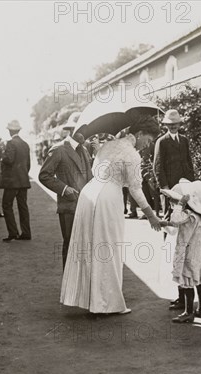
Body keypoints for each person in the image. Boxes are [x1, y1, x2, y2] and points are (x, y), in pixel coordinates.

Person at [60, 116, 163, 314]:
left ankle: (88, 299)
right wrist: (151, 215)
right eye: (148, 140)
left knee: (89, 246)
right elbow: (135, 189)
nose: (147, 145)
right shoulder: (132, 154)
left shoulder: (108, 145)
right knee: (108, 248)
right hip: (108, 198)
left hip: (89, 195)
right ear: (139, 134)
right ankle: (106, 303)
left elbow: (96, 170)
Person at [154, 109, 195, 310]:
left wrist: (193, 187)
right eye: (170, 125)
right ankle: (179, 293)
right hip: (171, 195)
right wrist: (167, 192)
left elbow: (189, 164)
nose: (173, 127)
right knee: (172, 238)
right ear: (165, 126)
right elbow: (157, 168)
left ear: (180, 124)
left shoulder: (184, 141)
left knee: (186, 236)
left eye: (176, 124)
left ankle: (185, 290)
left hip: (185, 192)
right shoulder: (161, 142)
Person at [39, 131, 93, 268]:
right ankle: (69, 285)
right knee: (70, 246)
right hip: (69, 206)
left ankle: (82, 283)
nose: (84, 134)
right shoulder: (58, 149)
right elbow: (44, 175)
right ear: (72, 131)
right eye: (81, 130)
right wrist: (64, 189)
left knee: (86, 245)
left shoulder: (85, 149)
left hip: (86, 205)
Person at [160, 179, 201, 323]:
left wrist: (181, 204)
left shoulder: (189, 216)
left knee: (187, 281)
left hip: (189, 254)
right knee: (199, 282)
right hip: (198, 255)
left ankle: (188, 312)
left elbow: (175, 219)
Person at [0, 120, 31, 242]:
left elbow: (9, 159)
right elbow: (28, 164)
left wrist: (2, 155)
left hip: (12, 182)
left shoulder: (10, 143)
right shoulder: (25, 144)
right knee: (23, 206)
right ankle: (26, 233)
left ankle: (13, 232)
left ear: (10, 131)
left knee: (6, 205)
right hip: (23, 181)